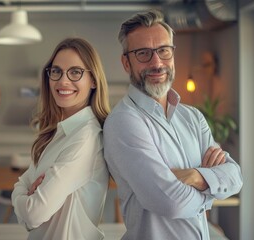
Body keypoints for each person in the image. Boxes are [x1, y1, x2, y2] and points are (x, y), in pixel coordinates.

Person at [103, 9, 243, 240]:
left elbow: (235, 176)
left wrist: (194, 176)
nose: (157, 62)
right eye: (143, 53)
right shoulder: (124, 122)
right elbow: (171, 203)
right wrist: (211, 187)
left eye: (163, 51)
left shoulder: (193, 117)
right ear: (126, 63)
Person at [11, 37, 111, 240]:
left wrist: (22, 198)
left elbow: (33, 214)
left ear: (93, 80)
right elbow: (22, 184)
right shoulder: (58, 132)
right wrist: (24, 196)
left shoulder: (86, 137)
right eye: (56, 71)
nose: (63, 81)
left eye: (75, 72)